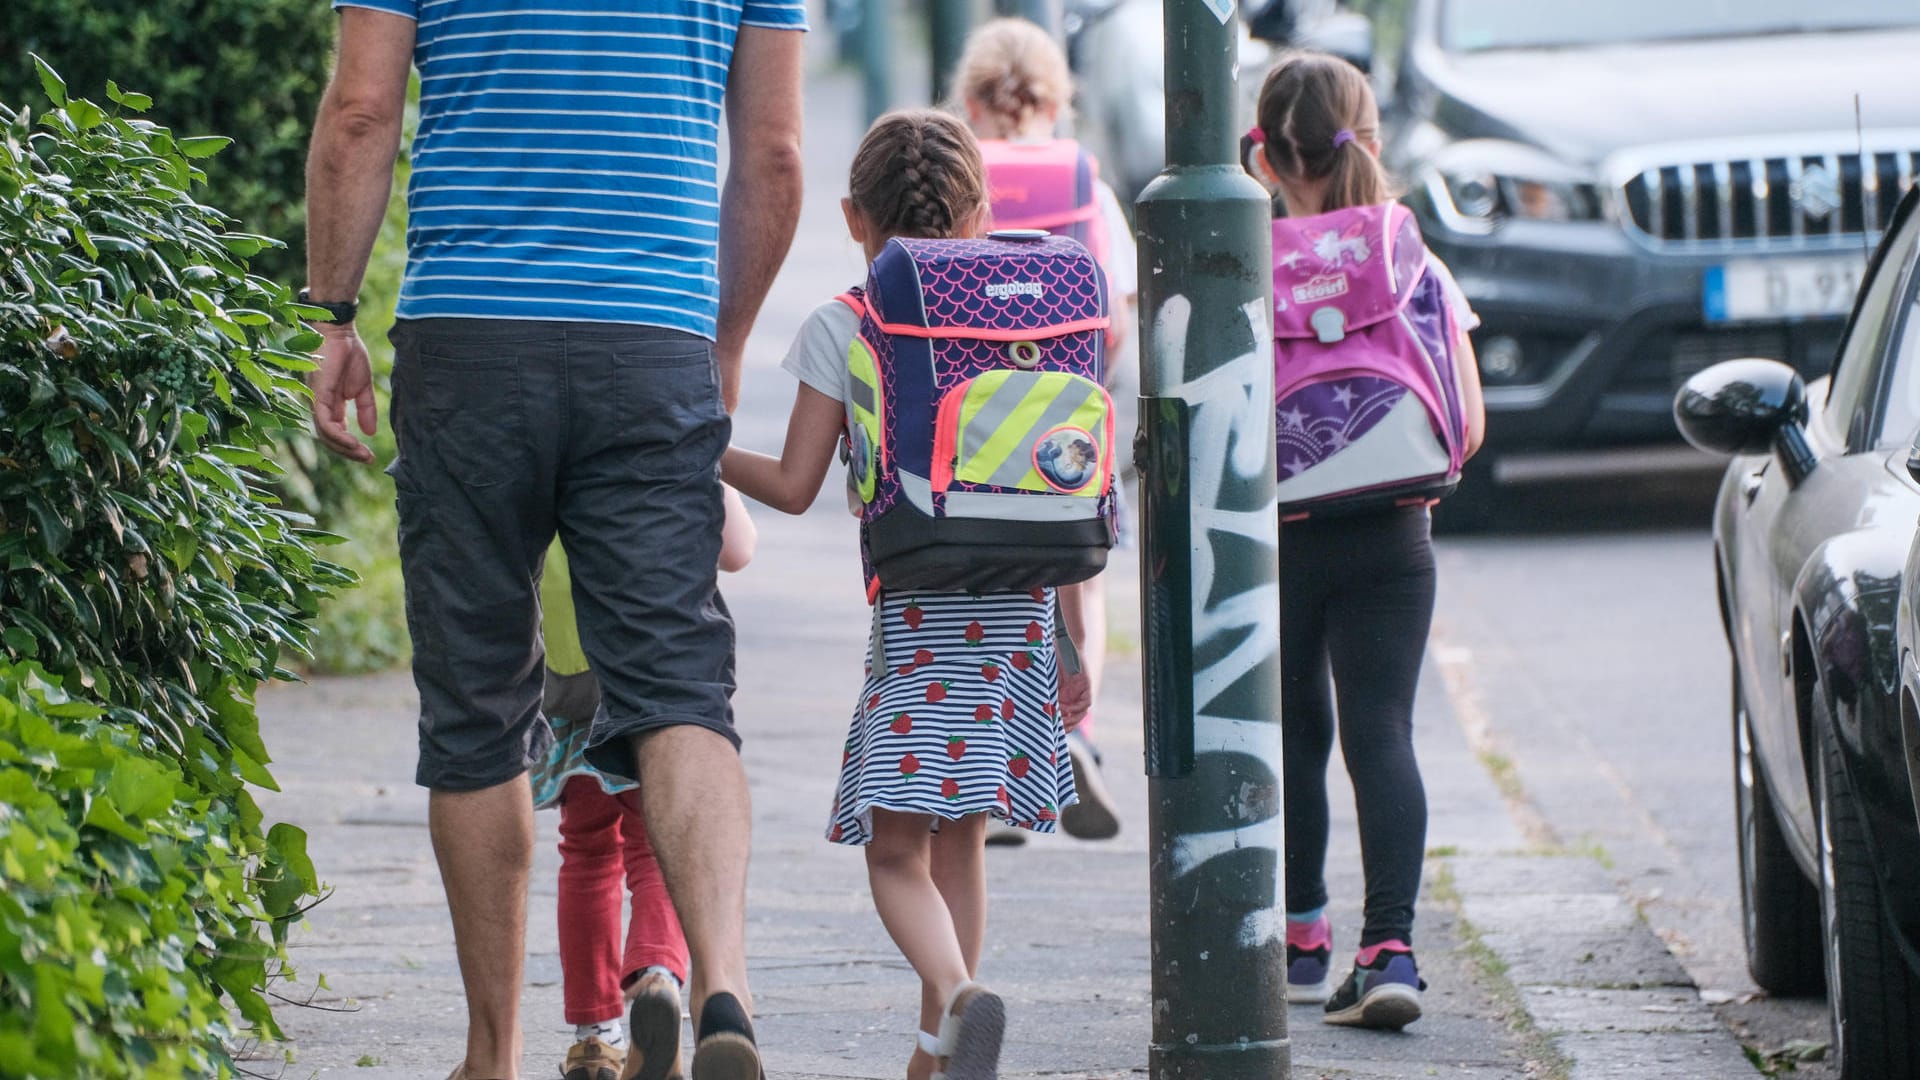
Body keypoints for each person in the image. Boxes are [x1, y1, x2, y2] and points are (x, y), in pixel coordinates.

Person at [301, 1, 806, 1075]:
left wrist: (331, 316)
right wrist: (718, 345)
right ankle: (723, 987)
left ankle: (495, 1052)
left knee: (479, 704)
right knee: (678, 684)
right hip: (652, 338)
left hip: (471, 339)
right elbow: (773, 153)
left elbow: (360, 111)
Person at [720, 110, 1092, 1080]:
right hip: (1020, 614)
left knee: (896, 854)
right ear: (980, 211)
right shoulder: (1028, 304)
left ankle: (960, 997)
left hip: (921, 614)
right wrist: (1077, 642)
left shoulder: (845, 322)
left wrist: (699, 444)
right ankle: (938, 1055)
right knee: (962, 841)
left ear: (854, 217)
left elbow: (797, 488)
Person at [1241, 52, 1486, 1030]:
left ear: (1261, 150)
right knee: (1383, 731)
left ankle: (1302, 934)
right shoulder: (1408, 254)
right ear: (1366, 138)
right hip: (1393, 530)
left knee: (1296, 729)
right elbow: (1465, 419)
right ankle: (1390, 948)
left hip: (1281, 537)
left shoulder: (1238, 260)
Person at [954, 17, 1137, 844]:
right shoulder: (1086, 186)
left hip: (965, 429)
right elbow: (1117, 318)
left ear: (971, 100)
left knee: (983, 588)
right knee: (1081, 583)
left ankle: (995, 779)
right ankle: (1072, 734)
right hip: (1067, 427)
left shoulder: (956, 180)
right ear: (1058, 101)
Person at [532, 487, 757, 1080]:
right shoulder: (669, 434)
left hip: (568, 676)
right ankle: (659, 974)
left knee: (584, 851)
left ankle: (594, 1035)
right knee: (658, 845)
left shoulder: (551, 438)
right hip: (653, 679)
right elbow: (737, 550)